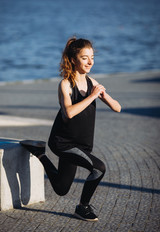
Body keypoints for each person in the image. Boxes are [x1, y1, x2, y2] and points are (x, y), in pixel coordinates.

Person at [20, 37, 121, 222]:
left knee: (61, 188)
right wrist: (92, 97)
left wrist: (104, 95)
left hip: (82, 144)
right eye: (84, 58)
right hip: (63, 143)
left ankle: (39, 154)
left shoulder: (92, 82)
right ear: (73, 60)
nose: (90, 62)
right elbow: (68, 113)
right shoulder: (65, 84)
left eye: (92, 57)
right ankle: (82, 207)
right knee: (99, 168)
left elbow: (117, 107)